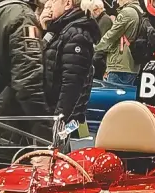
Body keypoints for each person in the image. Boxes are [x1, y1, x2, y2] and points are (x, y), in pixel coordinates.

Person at [43, 0, 100, 135]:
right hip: (51, 113)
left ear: (67, 3)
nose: (50, 5)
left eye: (54, 1)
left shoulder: (76, 34)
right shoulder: (61, 29)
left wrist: (58, 121)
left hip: (57, 118)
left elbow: (71, 84)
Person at [95, 0, 140, 86]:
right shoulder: (138, 10)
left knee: (113, 93)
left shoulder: (127, 12)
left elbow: (111, 35)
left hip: (120, 65)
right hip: (132, 64)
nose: (117, 2)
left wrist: (95, 48)